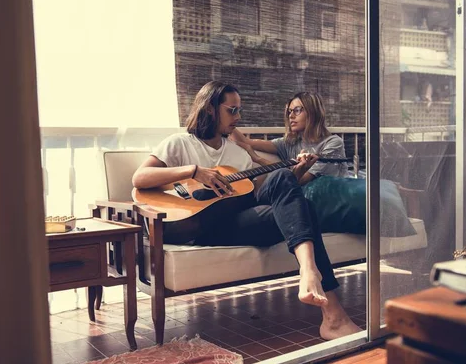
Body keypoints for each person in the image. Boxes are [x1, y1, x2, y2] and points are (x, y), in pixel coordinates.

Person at [132, 81, 361, 340]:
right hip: (190, 226)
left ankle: (315, 283)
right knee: (303, 205)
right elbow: (140, 178)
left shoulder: (236, 152)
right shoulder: (180, 143)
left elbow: (262, 190)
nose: (238, 118)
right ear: (209, 109)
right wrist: (194, 171)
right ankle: (326, 303)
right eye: (232, 110)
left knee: (295, 195)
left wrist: (293, 175)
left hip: (234, 225)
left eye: (239, 110)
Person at [229, 91, 348, 185]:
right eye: (289, 111)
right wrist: (226, 120)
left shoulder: (333, 143)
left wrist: (258, 159)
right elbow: (244, 142)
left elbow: (299, 180)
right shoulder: (289, 143)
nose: (291, 116)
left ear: (313, 113)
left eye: (297, 110)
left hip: (333, 201)